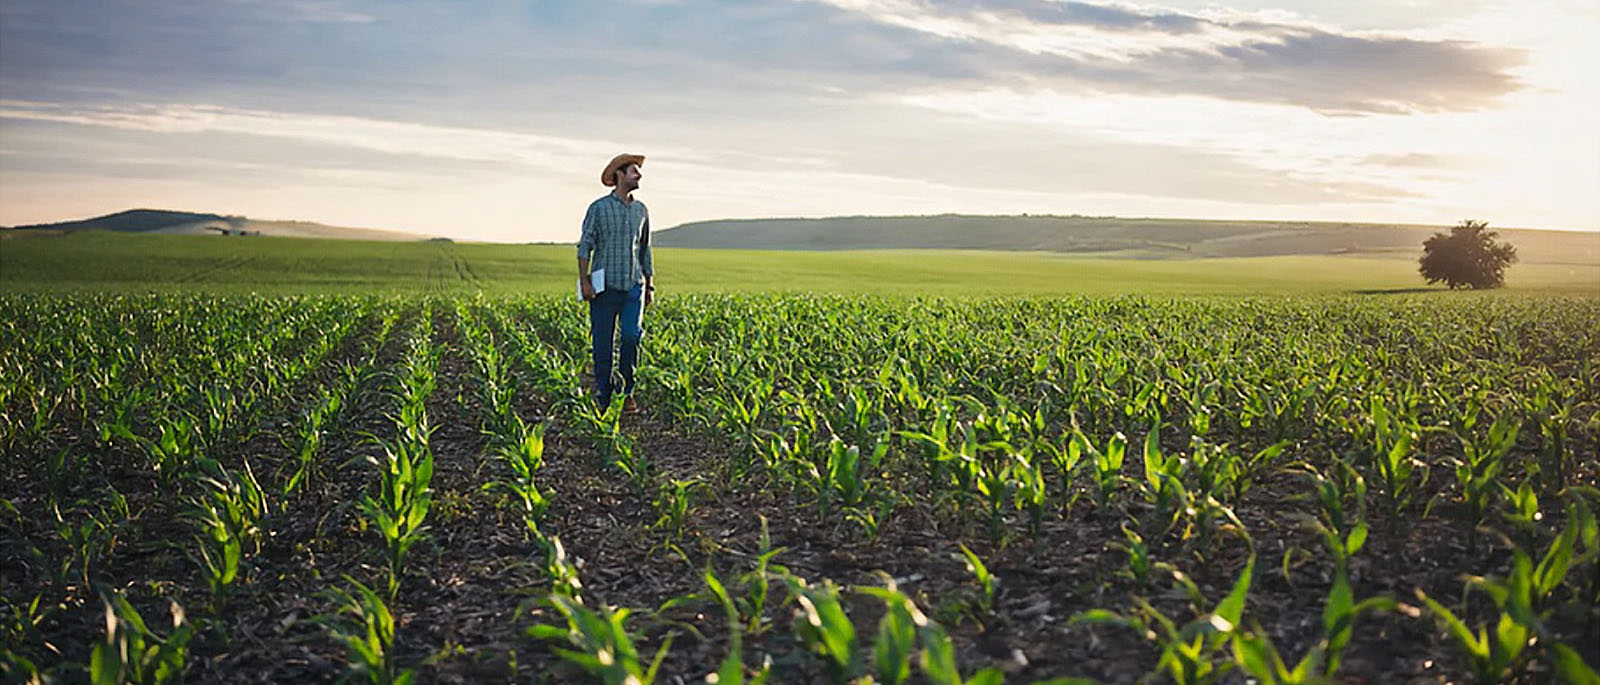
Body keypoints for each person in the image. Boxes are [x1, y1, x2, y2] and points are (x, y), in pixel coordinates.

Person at [577, 153, 654, 412]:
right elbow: (585, 245)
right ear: (619, 175)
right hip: (604, 287)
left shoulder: (641, 210)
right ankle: (604, 392)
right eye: (634, 170)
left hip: (634, 285)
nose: (639, 175)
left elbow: (645, 249)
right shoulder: (598, 208)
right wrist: (584, 280)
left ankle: (628, 390)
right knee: (603, 342)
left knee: (632, 337)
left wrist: (650, 284)